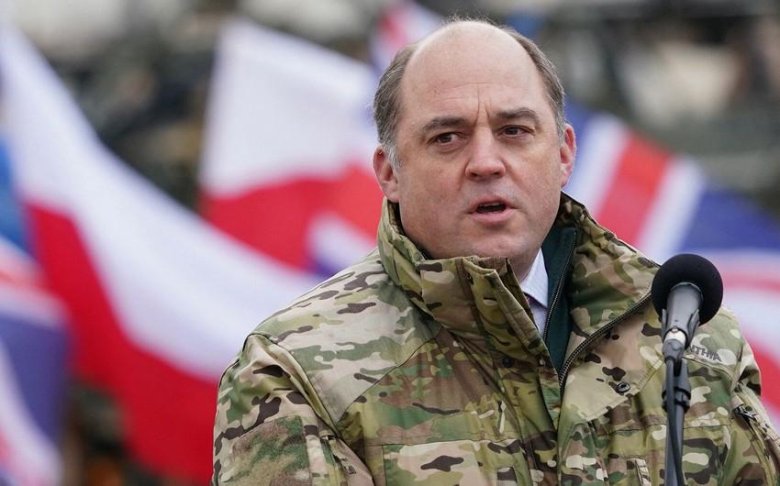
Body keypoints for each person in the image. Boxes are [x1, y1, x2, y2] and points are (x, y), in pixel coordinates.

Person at [212, 19, 780, 485]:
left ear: (564, 154)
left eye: (514, 131)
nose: (486, 162)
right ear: (389, 172)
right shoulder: (295, 373)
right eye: (447, 137)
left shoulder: (687, 333)